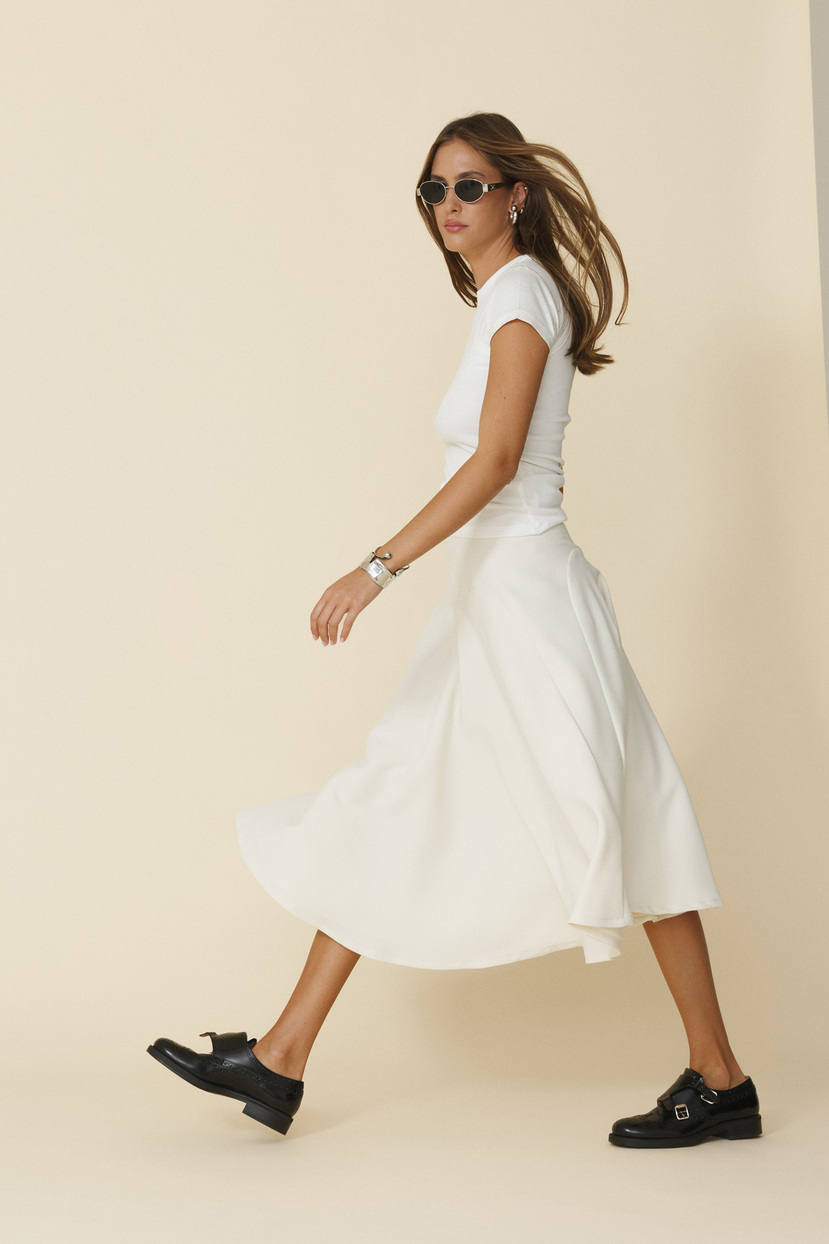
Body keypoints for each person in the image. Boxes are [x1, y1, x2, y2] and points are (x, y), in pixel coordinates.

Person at [147, 112, 761, 1149]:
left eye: (470, 185)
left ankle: (720, 1076)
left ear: (514, 193)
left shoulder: (519, 294)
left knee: (628, 812)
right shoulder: (503, 299)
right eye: (434, 189)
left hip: (527, 597)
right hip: (492, 596)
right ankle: (282, 1055)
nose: (449, 204)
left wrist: (375, 568)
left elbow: (496, 459)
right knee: (397, 791)